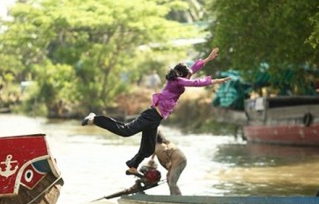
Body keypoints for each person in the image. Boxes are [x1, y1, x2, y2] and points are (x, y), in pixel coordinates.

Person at [81, 47, 230, 175]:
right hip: (151, 115)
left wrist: (208, 59)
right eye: (188, 75)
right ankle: (95, 118)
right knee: (126, 131)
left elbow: (194, 68)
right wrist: (216, 81)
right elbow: (195, 82)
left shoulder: (180, 77)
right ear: (183, 75)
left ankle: (133, 166)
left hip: (155, 119)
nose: (190, 74)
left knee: (148, 148)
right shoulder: (176, 81)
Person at [141, 130, 186, 195]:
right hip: (180, 159)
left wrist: (169, 172)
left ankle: (177, 198)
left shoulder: (158, 148)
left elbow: (168, 163)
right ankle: (174, 196)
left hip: (178, 161)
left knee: (172, 182)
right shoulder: (161, 144)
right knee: (170, 180)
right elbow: (153, 156)